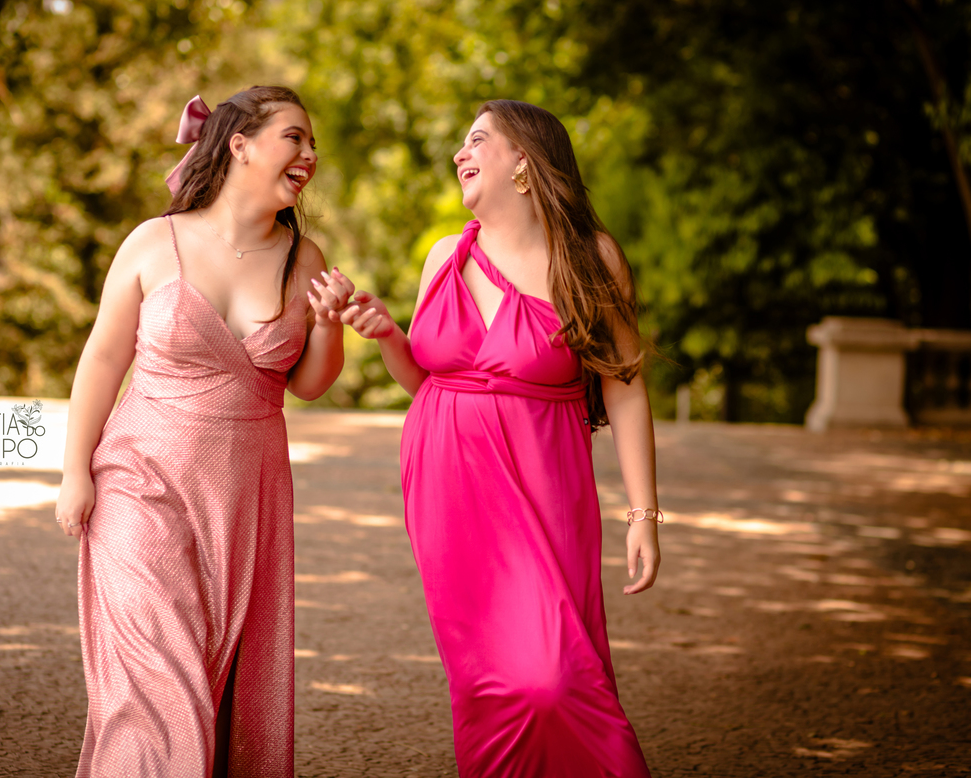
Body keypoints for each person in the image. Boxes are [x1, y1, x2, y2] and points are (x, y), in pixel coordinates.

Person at [340, 100, 661, 777]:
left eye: (478, 139)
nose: (461, 152)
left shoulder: (591, 258)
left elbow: (626, 386)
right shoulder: (443, 257)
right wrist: (387, 335)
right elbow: (427, 379)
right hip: (446, 487)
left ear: (524, 160)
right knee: (488, 684)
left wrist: (643, 513)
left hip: (544, 483)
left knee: (553, 677)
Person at [54, 86, 353, 778]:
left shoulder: (304, 260)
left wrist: (330, 323)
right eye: (294, 137)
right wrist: (75, 471)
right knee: (162, 684)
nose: (309, 155)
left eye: (313, 144)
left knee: (219, 694)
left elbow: (306, 385)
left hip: (245, 505)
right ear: (239, 144)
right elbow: (102, 358)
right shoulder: (152, 242)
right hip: (138, 483)